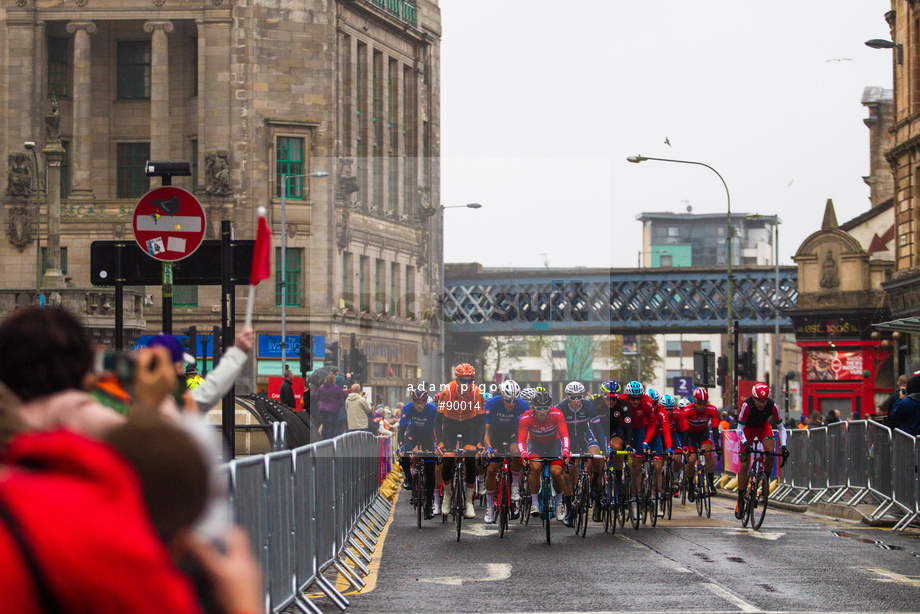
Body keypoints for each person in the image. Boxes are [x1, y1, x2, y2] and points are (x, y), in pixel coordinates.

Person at [434, 363, 486, 519]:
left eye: (470, 381)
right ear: (456, 380)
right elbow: (438, 421)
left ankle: (469, 501)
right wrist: (440, 443)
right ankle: (447, 496)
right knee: (448, 462)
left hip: (469, 425)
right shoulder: (447, 391)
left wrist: (479, 443)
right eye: (463, 380)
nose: (467, 384)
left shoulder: (477, 392)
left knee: (470, 461)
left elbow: (481, 421)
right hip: (450, 424)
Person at [735, 382, 788, 519]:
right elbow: (739, 429)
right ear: (753, 398)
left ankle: (765, 480)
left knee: (770, 450)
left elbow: (781, 428)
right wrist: (746, 443)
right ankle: (740, 499)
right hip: (747, 429)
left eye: (764, 401)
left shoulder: (773, 406)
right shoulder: (746, 405)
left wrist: (784, 447)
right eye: (759, 400)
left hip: (763, 427)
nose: (762, 404)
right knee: (745, 463)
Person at [557, 380, 605, 525]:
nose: (576, 401)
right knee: (567, 475)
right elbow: (557, 431)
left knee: (597, 456)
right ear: (567, 397)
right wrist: (563, 449)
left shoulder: (589, 407)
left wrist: (604, 450)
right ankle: (569, 510)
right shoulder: (561, 408)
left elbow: (598, 430)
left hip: (585, 435)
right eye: (573, 397)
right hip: (568, 438)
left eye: (579, 397)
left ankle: (596, 497)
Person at [517, 389, 570, 520]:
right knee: (535, 468)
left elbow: (564, 435)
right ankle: (534, 503)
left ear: (550, 407)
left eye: (545, 408)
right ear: (533, 407)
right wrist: (523, 453)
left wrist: (565, 451)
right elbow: (521, 440)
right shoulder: (526, 417)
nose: (542, 412)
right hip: (535, 445)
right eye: (539, 408)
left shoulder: (557, 414)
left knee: (557, 472)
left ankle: (559, 503)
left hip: (553, 444)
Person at [482, 379, 527, 524]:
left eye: (514, 400)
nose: (511, 404)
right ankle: (489, 506)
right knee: (491, 470)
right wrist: (488, 447)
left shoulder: (522, 405)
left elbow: (527, 429)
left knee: (517, 452)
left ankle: (514, 486)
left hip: (513, 433)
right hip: (495, 435)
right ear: (501, 397)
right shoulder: (492, 404)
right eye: (508, 400)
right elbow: (486, 431)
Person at [397, 387, 439, 519]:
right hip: (412, 435)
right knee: (403, 455)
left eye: (422, 402)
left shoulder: (432, 409)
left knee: (430, 469)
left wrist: (439, 445)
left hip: (428, 437)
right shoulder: (407, 408)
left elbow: (438, 428)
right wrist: (401, 446)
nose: (419, 405)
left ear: (426, 401)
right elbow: (402, 428)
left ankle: (429, 503)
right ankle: (409, 478)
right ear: (412, 401)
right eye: (416, 402)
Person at [681, 387, 721, 502]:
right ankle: (691, 485)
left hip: (703, 433)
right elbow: (685, 431)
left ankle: (711, 484)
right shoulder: (687, 410)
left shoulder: (712, 409)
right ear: (694, 401)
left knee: (708, 454)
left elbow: (715, 428)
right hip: (690, 435)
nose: (702, 406)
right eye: (699, 403)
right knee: (691, 460)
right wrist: (685, 447)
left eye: (704, 403)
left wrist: (717, 445)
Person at [618, 381, 656, 499]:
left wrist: (646, 442)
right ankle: (618, 482)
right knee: (618, 454)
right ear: (627, 396)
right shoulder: (620, 400)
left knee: (636, 467)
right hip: (622, 428)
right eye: (633, 398)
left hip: (638, 430)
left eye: (638, 398)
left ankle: (635, 497)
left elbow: (652, 425)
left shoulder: (648, 403)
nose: (635, 401)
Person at [600, 380, 632, 505]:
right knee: (595, 459)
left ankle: (618, 479)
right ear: (603, 396)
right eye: (608, 398)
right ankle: (597, 490)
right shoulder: (596, 404)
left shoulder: (622, 404)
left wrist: (628, 444)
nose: (611, 401)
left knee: (618, 447)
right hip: (600, 431)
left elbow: (628, 426)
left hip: (615, 430)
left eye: (614, 398)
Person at [316, 373, 348, 439]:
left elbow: (317, 396)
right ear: (333, 380)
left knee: (325, 426)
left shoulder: (321, 388)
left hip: (322, 409)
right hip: (333, 409)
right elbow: (344, 396)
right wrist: (345, 391)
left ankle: (324, 441)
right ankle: (330, 441)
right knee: (332, 426)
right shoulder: (335, 388)